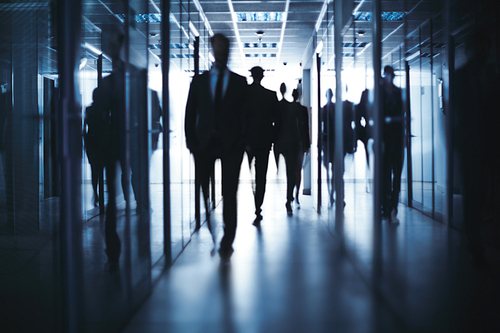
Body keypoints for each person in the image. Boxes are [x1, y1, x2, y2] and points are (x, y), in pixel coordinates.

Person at [185, 33, 248, 261]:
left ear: (228, 51)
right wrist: (192, 143)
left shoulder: (240, 83)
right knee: (204, 189)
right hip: (204, 145)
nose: (221, 52)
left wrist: (243, 142)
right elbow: (191, 113)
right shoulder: (199, 82)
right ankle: (212, 229)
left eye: (225, 48)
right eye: (218, 48)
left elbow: (245, 115)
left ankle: (227, 238)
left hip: (231, 145)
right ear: (212, 50)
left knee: (229, 193)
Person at [245, 66, 279, 226]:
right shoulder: (270, 96)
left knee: (250, 173)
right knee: (261, 175)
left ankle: (256, 203)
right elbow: (276, 120)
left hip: (248, 141)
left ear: (252, 76)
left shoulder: (245, 94)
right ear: (263, 77)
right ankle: (258, 206)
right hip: (264, 142)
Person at [275, 88, 309, 216]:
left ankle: (290, 198)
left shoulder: (284, 107)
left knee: (292, 172)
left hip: (285, 142)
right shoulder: (299, 109)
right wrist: (306, 144)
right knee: (293, 172)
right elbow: (305, 128)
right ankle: (290, 198)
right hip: (294, 143)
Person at [381, 65, 404, 223]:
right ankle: (387, 207)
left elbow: (403, 116)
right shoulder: (380, 94)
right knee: (386, 176)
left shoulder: (397, 93)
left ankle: (392, 208)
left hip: (396, 140)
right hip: (387, 140)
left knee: (395, 176)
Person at [84, 87, 106, 207]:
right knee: (101, 169)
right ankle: (99, 193)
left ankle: (96, 192)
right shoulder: (104, 110)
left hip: (92, 140)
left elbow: (86, 125)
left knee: (94, 170)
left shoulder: (89, 110)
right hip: (101, 141)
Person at [320, 89, 336, 206]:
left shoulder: (326, 109)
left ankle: (332, 193)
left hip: (331, 141)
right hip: (328, 141)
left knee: (333, 170)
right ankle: (331, 193)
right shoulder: (325, 109)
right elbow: (321, 127)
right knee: (330, 170)